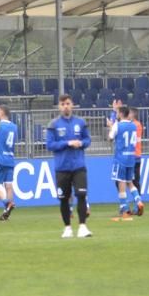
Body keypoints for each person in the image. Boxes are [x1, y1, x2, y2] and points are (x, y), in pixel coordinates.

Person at [46, 95, 93, 238]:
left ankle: (82, 227)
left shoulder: (80, 122)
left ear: (72, 105)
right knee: (64, 199)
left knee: (81, 195)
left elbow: (87, 139)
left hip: (78, 165)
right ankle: (67, 228)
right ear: (59, 106)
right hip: (62, 167)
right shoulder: (53, 125)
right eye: (62, 104)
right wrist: (67, 143)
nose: (65, 106)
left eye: (68, 103)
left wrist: (81, 143)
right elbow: (49, 145)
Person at [108, 105, 139, 221]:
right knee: (130, 182)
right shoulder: (134, 126)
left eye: (117, 113)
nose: (116, 114)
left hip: (120, 158)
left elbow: (110, 138)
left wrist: (111, 127)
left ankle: (125, 208)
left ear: (121, 114)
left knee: (121, 182)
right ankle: (138, 200)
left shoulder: (118, 125)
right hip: (131, 157)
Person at [128, 108, 145, 216]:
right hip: (138, 155)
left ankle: (137, 204)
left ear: (133, 115)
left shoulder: (133, 125)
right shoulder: (139, 125)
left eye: (128, 113)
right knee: (135, 181)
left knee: (130, 181)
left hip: (132, 156)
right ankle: (137, 203)